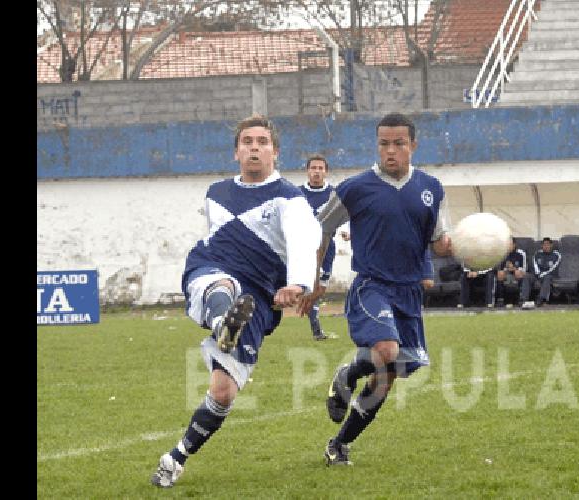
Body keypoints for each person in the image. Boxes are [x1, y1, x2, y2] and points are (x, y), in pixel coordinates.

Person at [151, 114, 320, 488]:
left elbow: (303, 240)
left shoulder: (290, 199)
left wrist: (297, 284)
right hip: (211, 269)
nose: (254, 148)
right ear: (236, 152)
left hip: (258, 300)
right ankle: (222, 322)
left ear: (276, 151)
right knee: (223, 286)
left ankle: (175, 458)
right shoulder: (216, 193)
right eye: (247, 141)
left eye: (262, 141)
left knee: (223, 392)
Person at [298, 112, 453, 466]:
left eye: (399, 143)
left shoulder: (432, 189)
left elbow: (438, 241)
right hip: (372, 286)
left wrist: (452, 248)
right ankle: (349, 374)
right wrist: (316, 280)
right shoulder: (355, 188)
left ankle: (338, 445)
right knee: (385, 350)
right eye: (384, 144)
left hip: (409, 292)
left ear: (413, 145)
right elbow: (320, 229)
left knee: (386, 378)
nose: (391, 151)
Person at [299, 154, 338, 341]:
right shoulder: (297, 194)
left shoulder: (333, 194)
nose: (316, 171)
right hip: (306, 246)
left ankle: (312, 318)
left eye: (320, 168)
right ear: (307, 171)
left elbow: (344, 215)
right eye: (313, 168)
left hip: (328, 246)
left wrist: (346, 230)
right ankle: (316, 331)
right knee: (312, 286)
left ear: (326, 171)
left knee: (320, 289)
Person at [495, 237, 532, 308]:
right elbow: (500, 268)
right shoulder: (503, 254)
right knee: (500, 274)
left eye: (510, 244)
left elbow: (524, 269)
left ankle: (522, 300)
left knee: (519, 273)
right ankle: (500, 299)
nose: (508, 246)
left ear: (514, 245)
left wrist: (514, 269)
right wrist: (507, 269)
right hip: (507, 273)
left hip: (517, 273)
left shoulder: (521, 253)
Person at [531, 237, 561, 306]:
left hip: (550, 275)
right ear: (542, 246)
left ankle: (541, 299)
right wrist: (538, 273)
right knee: (527, 276)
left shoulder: (556, 255)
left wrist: (543, 274)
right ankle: (523, 299)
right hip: (537, 275)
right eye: (544, 244)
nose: (546, 246)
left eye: (548, 244)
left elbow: (554, 268)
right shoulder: (537, 254)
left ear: (551, 245)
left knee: (547, 278)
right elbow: (534, 265)